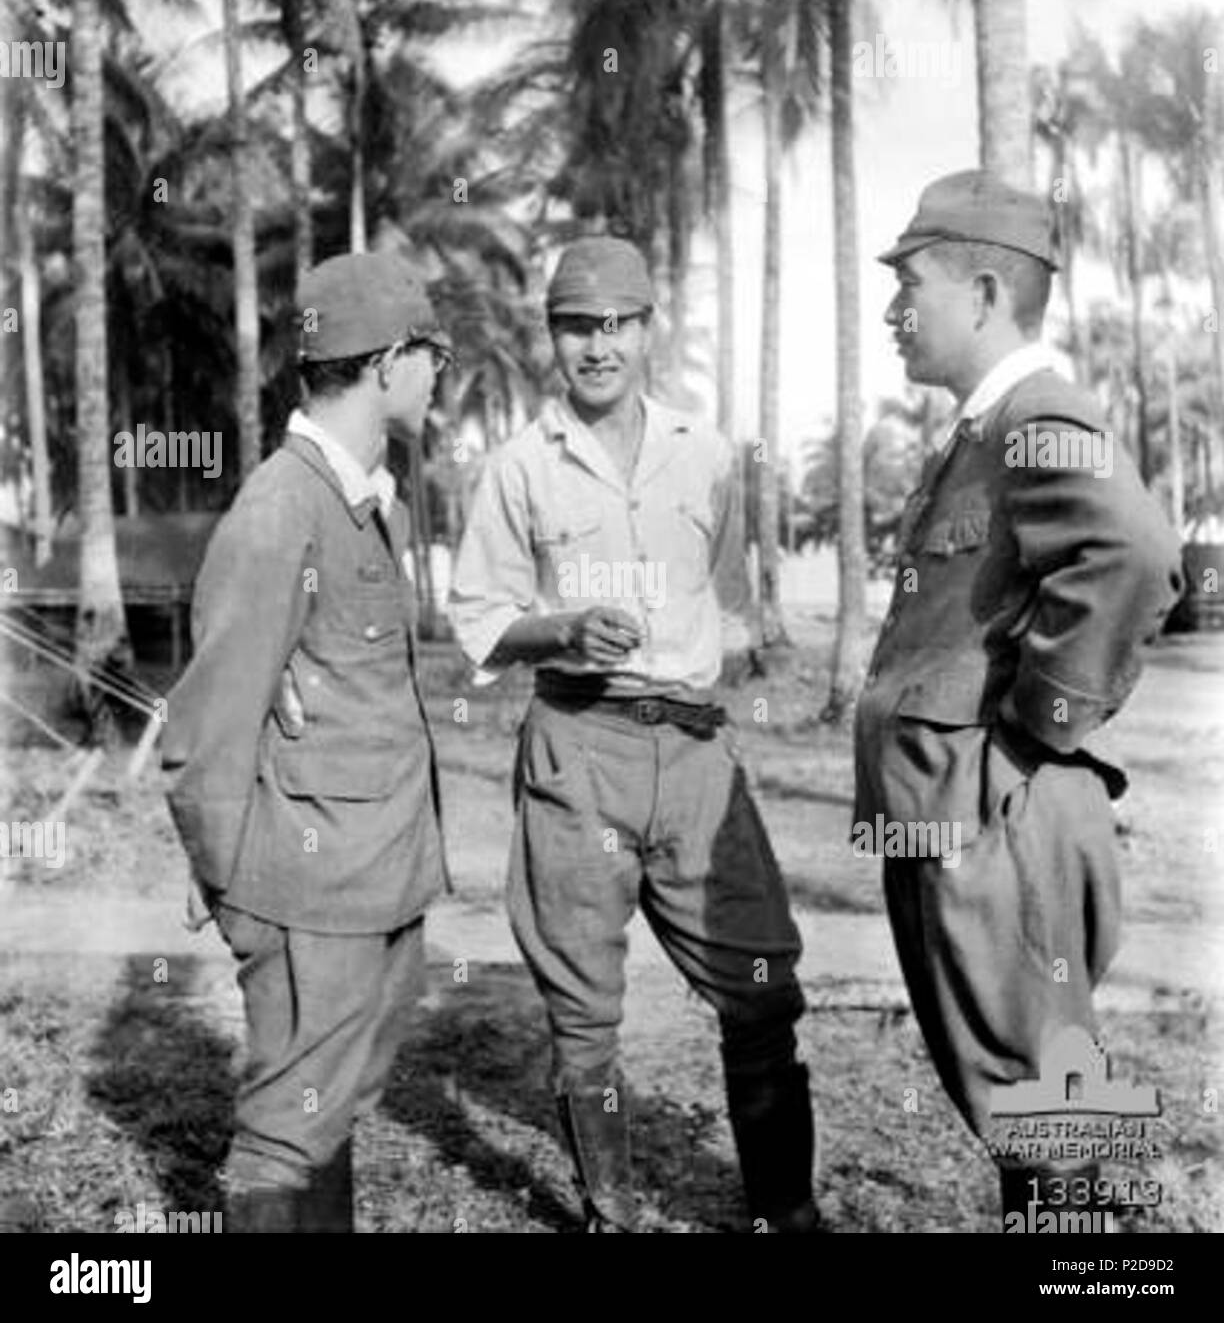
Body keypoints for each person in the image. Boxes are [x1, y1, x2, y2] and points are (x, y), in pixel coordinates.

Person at [449, 236, 818, 1233]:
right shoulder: (521, 467)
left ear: (650, 330)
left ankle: (788, 1215)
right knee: (584, 1019)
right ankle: (610, 1210)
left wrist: (704, 664)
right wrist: (560, 631)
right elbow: (480, 617)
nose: (598, 347)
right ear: (552, 337)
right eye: (576, 327)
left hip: (696, 755)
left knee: (762, 992)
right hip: (579, 748)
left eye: (617, 324)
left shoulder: (705, 453)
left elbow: (733, 601)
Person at [858, 170, 1183, 1228]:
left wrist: (1031, 733)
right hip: (958, 809)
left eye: (912, 286)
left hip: (995, 814)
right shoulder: (980, 431)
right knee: (1028, 1102)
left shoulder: (1034, 414)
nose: (893, 312)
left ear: (987, 292)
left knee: (1047, 1107)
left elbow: (1133, 553)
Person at [161, 251, 452, 1232]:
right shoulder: (281, 509)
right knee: (288, 1127)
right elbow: (206, 728)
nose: (438, 373)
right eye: (431, 353)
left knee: (332, 1110)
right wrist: (238, 891)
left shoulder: (370, 498)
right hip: (305, 895)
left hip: (373, 880)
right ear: (387, 361)